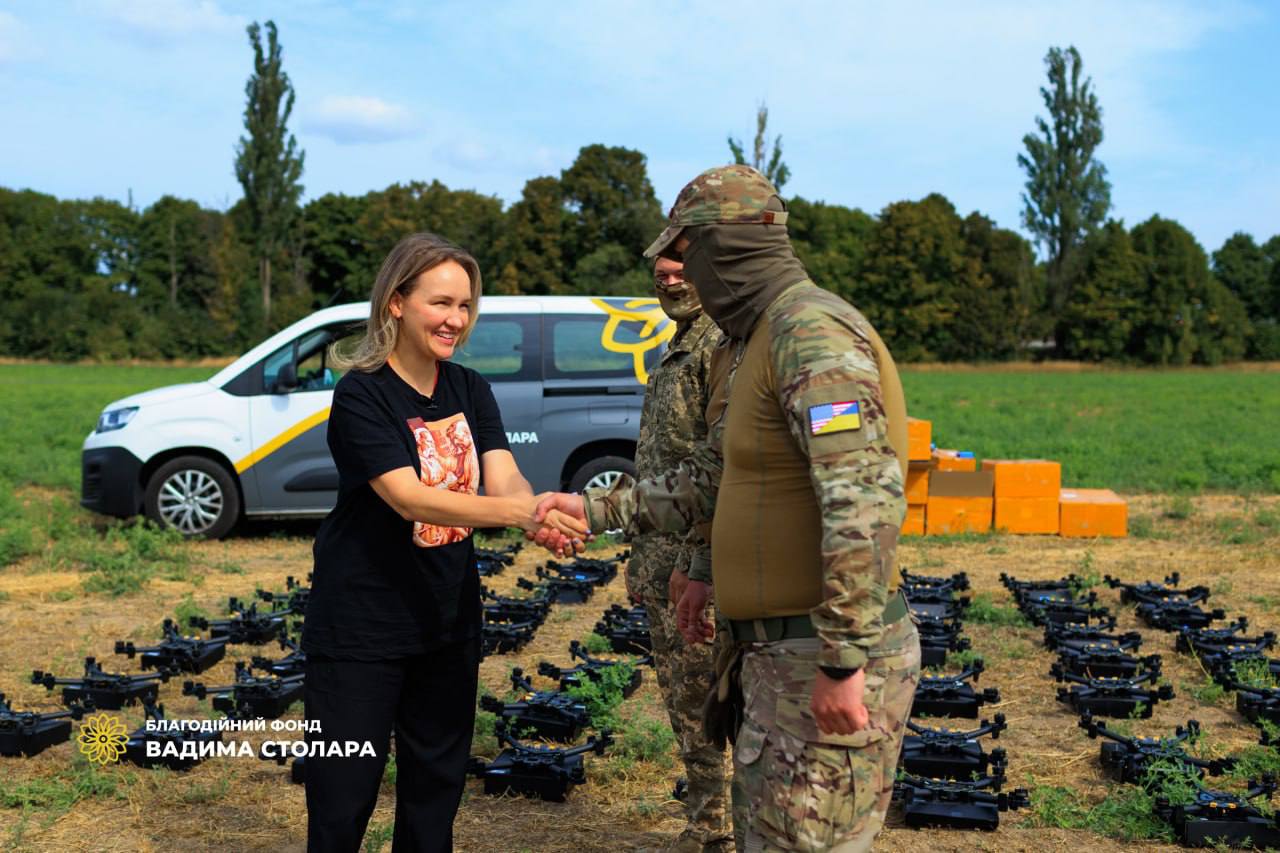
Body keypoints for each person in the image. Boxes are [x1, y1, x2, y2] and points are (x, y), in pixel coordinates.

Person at [535, 165, 920, 852]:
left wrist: (843, 659)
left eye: (687, 254)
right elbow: (716, 481)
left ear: (724, 250)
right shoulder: (759, 341)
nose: (679, 275)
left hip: (814, 656)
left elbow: (861, 498)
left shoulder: (811, 332)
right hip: (777, 655)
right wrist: (595, 510)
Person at [301, 232, 585, 853]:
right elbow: (409, 497)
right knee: (342, 799)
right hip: (360, 629)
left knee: (435, 795)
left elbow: (501, 469)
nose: (455, 319)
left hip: (447, 621)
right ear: (397, 303)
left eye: (464, 305)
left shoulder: (468, 387)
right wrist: (512, 514)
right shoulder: (362, 393)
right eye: (440, 303)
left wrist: (536, 509)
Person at [627, 253, 731, 852]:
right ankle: (706, 827)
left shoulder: (719, 346)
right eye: (660, 273)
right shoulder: (680, 343)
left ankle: (717, 835)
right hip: (662, 555)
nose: (669, 281)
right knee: (683, 699)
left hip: (694, 562)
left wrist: (696, 563)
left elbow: (713, 472)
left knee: (704, 701)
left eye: (681, 269)